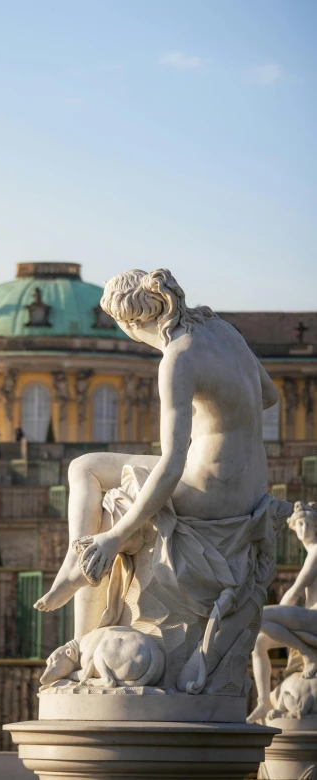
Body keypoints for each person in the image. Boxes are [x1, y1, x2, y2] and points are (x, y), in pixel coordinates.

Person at [34, 268, 280, 653]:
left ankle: (80, 618)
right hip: (248, 488)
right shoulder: (222, 329)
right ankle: (75, 565)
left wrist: (113, 539)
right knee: (87, 466)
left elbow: (172, 464)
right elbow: (269, 396)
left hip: (209, 495)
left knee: (85, 474)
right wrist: (219, 421)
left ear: (130, 322)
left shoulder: (178, 357)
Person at [247, 501, 317, 723]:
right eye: (299, 524)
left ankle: (307, 651)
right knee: (258, 643)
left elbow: (294, 592)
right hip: (308, 616)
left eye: (308, 524)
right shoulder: (310, 552)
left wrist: (283, 615)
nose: (304, 528)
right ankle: (263, 702)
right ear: (293, 527)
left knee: (253, 616)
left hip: (314, 618)